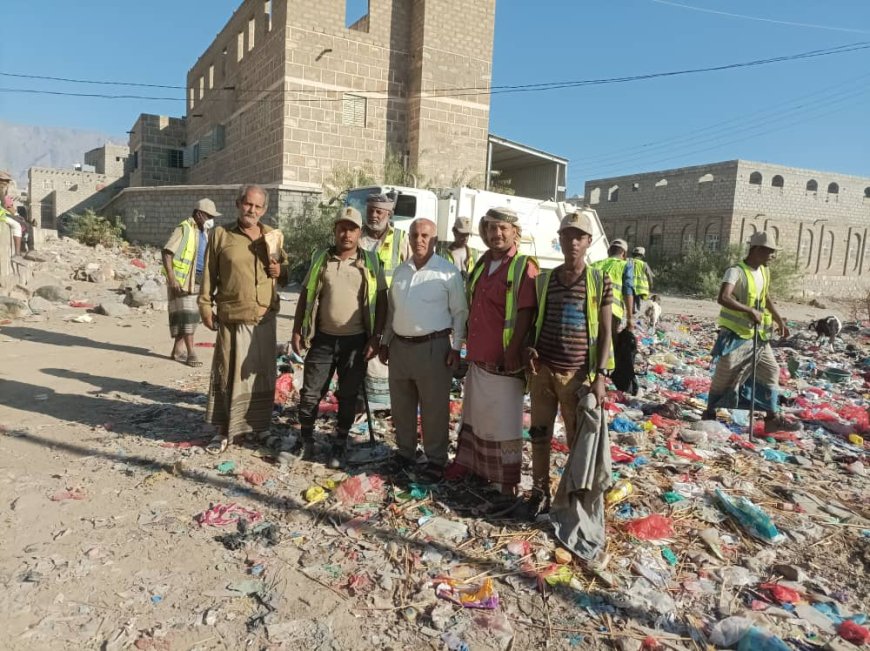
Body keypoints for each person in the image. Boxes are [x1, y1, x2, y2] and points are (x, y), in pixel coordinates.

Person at [525, 210, 613, 518]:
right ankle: (539, 492)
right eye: (567, 235)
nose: (573, 242)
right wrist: (531, 350)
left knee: (577, 442)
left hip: (576, 375)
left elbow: (605, 332)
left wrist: (600, 376)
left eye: (579, 237)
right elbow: (538, 320)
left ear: (589, 242)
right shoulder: (546, 280)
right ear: (559, 240)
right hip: (543, 371)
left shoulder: (600, 280)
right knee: (539, 434)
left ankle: (573, 498)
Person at [291, 206, 386, 468]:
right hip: (323, 339)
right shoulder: (321, 258)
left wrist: (376, 336)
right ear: (335, 230)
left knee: (347, 395)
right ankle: (306, 441)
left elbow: (382, 300)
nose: (347, 234)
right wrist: (297, 329)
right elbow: (306, 294)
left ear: (359, 233)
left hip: (355, 342)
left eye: (352, 229)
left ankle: (340, 443)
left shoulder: (371, 261)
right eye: (342, 228)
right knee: (310, 393)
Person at [454, 207, 538, 503]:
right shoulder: (482, 262)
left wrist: (513, 350)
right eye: (491, 228)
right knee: (478, 417)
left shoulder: (523, 265)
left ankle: (507, 485)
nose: (497, 234)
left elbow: (527, 311)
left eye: (503, 228)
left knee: (504, 424)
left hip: (506, 362)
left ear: (515, 232)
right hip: (479, 357)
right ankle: (477, 469)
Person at [198, 185, 288, 454]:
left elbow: (286, 275)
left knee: (261, 375)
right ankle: (224, 431)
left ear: (265, 209)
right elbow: (209, 275)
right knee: (228, 374)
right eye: (248, 204)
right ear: (239, 203)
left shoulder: (273, 235)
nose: (252, 210)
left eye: (258, 207)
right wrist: (204, 305)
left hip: (263, 318)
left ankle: (259, 428)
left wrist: (279, 269)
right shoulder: (221, 235)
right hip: (233, 317)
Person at [380, 218, 467, 482]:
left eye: (425, 235)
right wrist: (385, 341)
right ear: (409, 238)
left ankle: (436, 460)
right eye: (415, 235)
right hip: (400, 348)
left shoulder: (447, 272)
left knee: (434, 408)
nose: (419, 240)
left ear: (435, 240)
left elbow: (460, 313)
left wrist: (456, 348)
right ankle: (405, 453)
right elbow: (393, 311)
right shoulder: (401, 271)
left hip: (433, 348)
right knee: (402, 406)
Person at [702, 231, 798, 432]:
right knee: (725, 375)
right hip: (736, 335)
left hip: (758, 335)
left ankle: (771, 418)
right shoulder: (735, 271)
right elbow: (723, 297)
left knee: (771, 370)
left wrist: (779, 319)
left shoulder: (764, 271)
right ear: (756, 250)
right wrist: (749, 311)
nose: (773, 256)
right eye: (770, 251)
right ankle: (710, 411)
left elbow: (766, 297)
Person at [359, 192, 412, 409]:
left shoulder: (401, 238)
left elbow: (412, 271)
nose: (373, 215)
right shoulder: (357, 237)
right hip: (359, 309)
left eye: (378, 211)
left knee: (382, 357)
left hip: (391, 310)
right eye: (370, 210)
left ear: (388, 214)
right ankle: (363, 403)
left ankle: (383, 406)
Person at [162, 198, 221, 367]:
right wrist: (172, 278)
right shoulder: (184, 228)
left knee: (192, 317)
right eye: (209, 216)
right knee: (188, 316)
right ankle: (191, 353)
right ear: (199, 214)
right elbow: (167, 252)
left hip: (198, 280)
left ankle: (177, 350)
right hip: (182, 281)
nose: (211, 219)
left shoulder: (204, 232)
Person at [592, 239, 634, 343]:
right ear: (623, 253)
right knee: (609, 345)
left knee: (593, 343)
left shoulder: (594, 265)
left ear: (608, 251)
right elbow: (627, 292)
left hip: (592, 310)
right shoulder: (625, 265)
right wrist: (630, 318)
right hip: (612, 312)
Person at [438, 216, 477, 281]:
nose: (465, 238)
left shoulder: (474, 253)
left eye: (467, 234)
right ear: (454, 232)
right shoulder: (443, 254)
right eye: (462, 234)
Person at [630, 246, 654, 313]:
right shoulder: (644, 264)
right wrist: (651, 285)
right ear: (642, 255)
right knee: (639, 300)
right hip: (641, 288)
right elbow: (649, 276)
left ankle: (633, 310)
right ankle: (638, 310)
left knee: (632, 299)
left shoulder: (628, 262)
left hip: (630, 285)